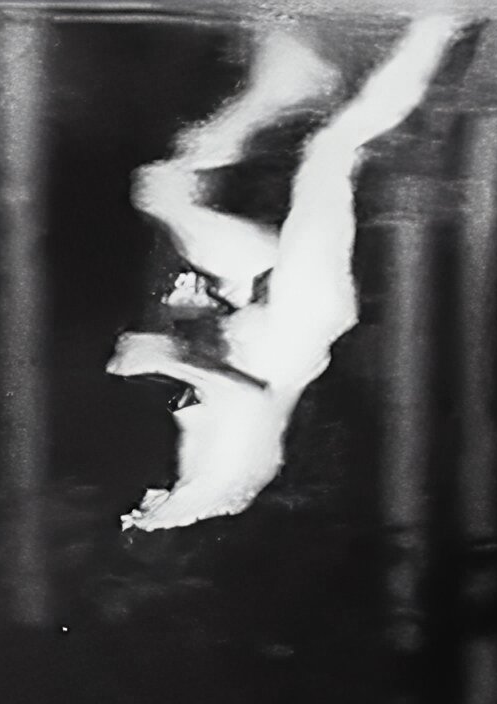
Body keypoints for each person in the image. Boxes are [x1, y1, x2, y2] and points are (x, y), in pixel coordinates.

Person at [108, 15, 463, 532]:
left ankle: (285, 83)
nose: (138, 503)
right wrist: (169, 360)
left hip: (253, 291)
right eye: (144, 515)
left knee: (161, 193)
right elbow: (248, 407)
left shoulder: (198, 473)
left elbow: (222, 376)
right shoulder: (220, 483)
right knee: (330, 152)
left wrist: (190, 316)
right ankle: (440, 24)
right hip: (302, 311)